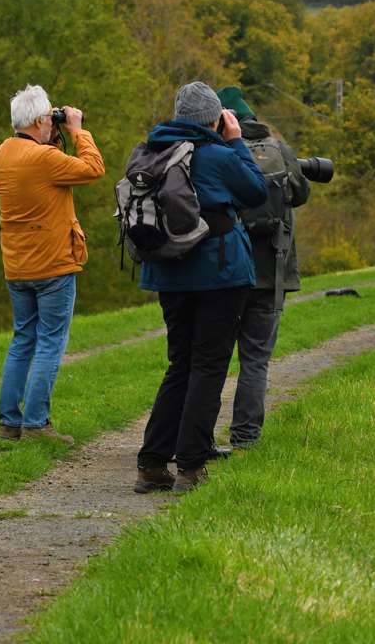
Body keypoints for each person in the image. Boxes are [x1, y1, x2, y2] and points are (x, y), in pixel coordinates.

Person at [134, 81, 267, 494]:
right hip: (218, 274)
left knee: (180, 365)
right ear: (214, 118)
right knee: (209, 367)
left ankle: (153, 462)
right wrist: (237, 142)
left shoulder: (152, 151)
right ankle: (191, 467)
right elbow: (256, 191)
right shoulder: (218, 155)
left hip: (169, 274)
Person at [0, 85, 105, 444]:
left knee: (23, 338)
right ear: (41, 119)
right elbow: (93, 168)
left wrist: (51, 134)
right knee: (51, 341)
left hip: (17, 264)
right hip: (53, 264)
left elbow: (41, 169)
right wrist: (76, 130)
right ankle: (37, 423)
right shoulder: (44, 160)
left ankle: (9, 422)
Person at [216, 87, 310, 451]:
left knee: (215, 358)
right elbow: (300, 195)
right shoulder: (279, 150)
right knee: (255, 359)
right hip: (273, 268)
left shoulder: (217, 153)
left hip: (226, 270)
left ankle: (200, 434)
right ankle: (245, 437)